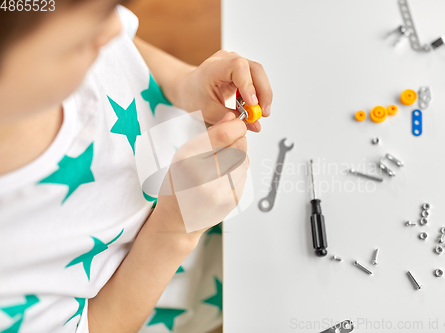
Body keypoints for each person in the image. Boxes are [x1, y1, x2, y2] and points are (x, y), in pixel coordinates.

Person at [0, 0, 272, 332]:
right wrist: (175, 230)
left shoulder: (68, 28)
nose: (116, 28)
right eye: (79, 44)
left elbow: (120, 44)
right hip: (187, 289)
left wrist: (182, 82)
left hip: (227, 216)